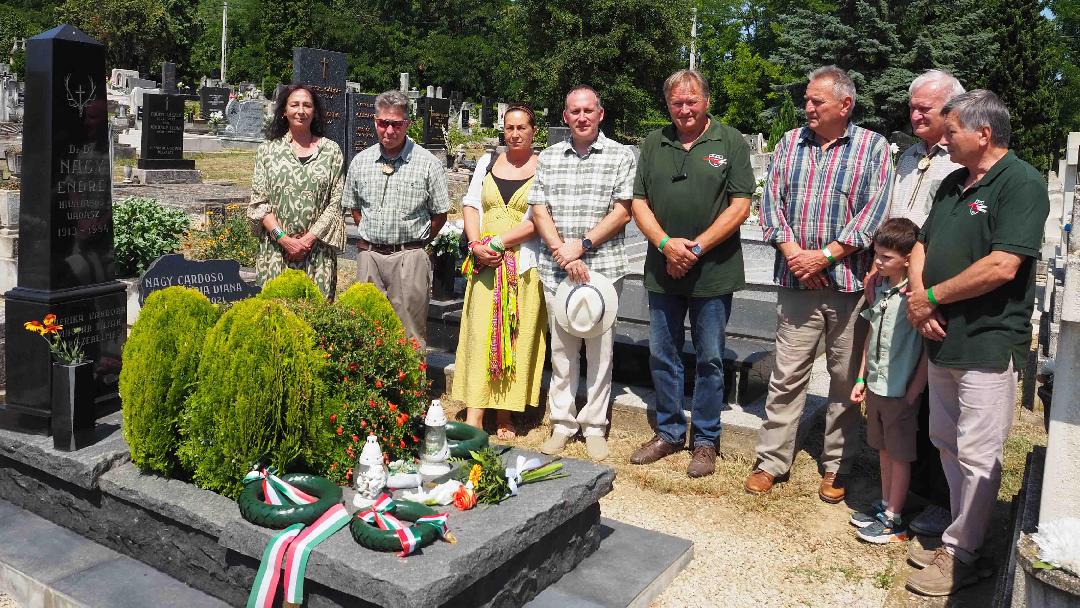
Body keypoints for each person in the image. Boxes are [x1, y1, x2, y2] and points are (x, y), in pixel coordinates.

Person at [904, 90, 1048, 596]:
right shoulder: (953, 183)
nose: (943, 140)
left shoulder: (1022, 183)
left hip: (987, 338)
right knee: (947, 441)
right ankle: (963, 535)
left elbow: (1003, 265)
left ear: (983, 134)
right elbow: (921, 244)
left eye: (952, 132)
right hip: (941, 336)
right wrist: (920, 299)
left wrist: (931, 297)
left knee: (978, 452)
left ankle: (963, 554)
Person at [745, 65, 893, 502]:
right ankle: (772, 460)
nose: (807, 107)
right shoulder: (790, 142)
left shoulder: (872, 147)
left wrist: (824, 256)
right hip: (796, 283)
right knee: (787, 376)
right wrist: (795, 254)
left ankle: (836, 465)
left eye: (817, 101)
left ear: (845, 104)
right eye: (807, 100)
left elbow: (874, 212)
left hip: (849, 285)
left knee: (844, 381)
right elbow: (770, 204)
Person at [627, 69, 755, 478]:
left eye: (692, 101)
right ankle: (668, 432)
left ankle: (705, 440)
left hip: (713, 271)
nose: (684, 109)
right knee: (663, 354)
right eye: (676, 102)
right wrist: (666, 244)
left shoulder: (730, 141)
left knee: (710, 358)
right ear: (668, 105)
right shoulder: (654, 142)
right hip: (663, 268)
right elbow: (639, 202)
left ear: (706, 101)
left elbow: (740, 206)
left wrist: (695, 248)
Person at [869, 69, 965, 539]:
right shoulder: (909, 155)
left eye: (925, 108)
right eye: (912, 107)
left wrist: (924, 285)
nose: (915, 114)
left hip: (931, 290)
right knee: (902, 388)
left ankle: (938, 500)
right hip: (897, 282)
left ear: (951, 110)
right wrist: (881, 265)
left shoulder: (959, 159)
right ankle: (903, 494)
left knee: (933, 399)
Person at [529, 85, 636, 461]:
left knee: (600, 353)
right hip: (557, 269)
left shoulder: (620, 155)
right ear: (565, 117)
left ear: (600, 114)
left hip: (602, 270)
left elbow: (622, 211)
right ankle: (562, 422)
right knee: (562, 352)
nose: (582, 117)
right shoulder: (549, 157)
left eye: (588, 110)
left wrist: (582, 246)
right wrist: (563, 251)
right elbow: (539, 209)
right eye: (574, 111)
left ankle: (594, 426)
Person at [453, 104, 547, 439]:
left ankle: (505, 412)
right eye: (509, 128)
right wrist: (476, 244)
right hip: (485, 264)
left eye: (522, 128)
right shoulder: (487, 162)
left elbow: (539, 219)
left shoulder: (544, 167)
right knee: (481, 334)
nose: (515, 134)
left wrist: (498, 243)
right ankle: (476, 412)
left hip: (522, 266)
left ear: (534, 131)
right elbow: (471, 204)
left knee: (513, 335)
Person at [343, 90, 450, 349]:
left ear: (407, 124)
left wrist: (416, 244)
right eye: (383, 123)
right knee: (366, 332)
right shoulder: (361, 162)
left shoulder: (428, 164)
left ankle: (411, 377)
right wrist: (371, 234)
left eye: (396, 124)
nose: (389, 130)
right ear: (375, 121)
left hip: (409, 257)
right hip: (370, 257)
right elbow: (354, 207)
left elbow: (440, 214)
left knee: (410, 336)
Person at [848, 218, 926, 543]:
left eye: (886, 257)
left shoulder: (915, 296)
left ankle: (894, 518)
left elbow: (926, 349)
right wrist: (861, 377)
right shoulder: (879, 289)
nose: (878, 262)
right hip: (877, 385)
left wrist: (913, 392)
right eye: (876, 255)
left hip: (900, 389)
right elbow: (871, 335)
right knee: (882, 449)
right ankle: (885, 503)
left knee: (900, 454)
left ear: (907, 259)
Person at [248, 84, 346, 299]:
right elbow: (259, 202)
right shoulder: (268, 151)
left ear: (315, 112)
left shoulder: (331, 151)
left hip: (317, 253)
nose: (301, 111)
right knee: (275, 314)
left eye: (307, 105)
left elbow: (336, 203)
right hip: (276, 252)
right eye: (294, 105)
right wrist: (284, 239)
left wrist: (307, 241)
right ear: (284, 111)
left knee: (315, 314)